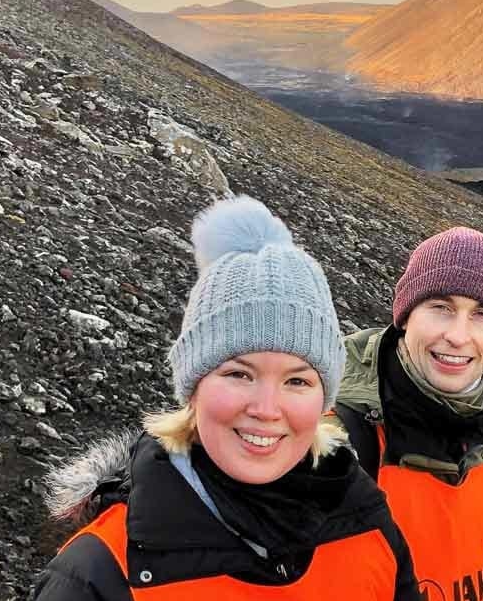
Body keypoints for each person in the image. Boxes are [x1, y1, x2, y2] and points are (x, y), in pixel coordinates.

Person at [33, 196, 420, 601]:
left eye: (297, 382)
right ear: (193, 385)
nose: (267, 409)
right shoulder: (98, 575)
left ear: (326, 398)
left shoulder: (367, 521)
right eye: (239, 374)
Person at [332, 226, 483, 601]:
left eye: (482, 314)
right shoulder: (336, 440)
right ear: (405, 317)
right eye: (441, 308)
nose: (458, 335)